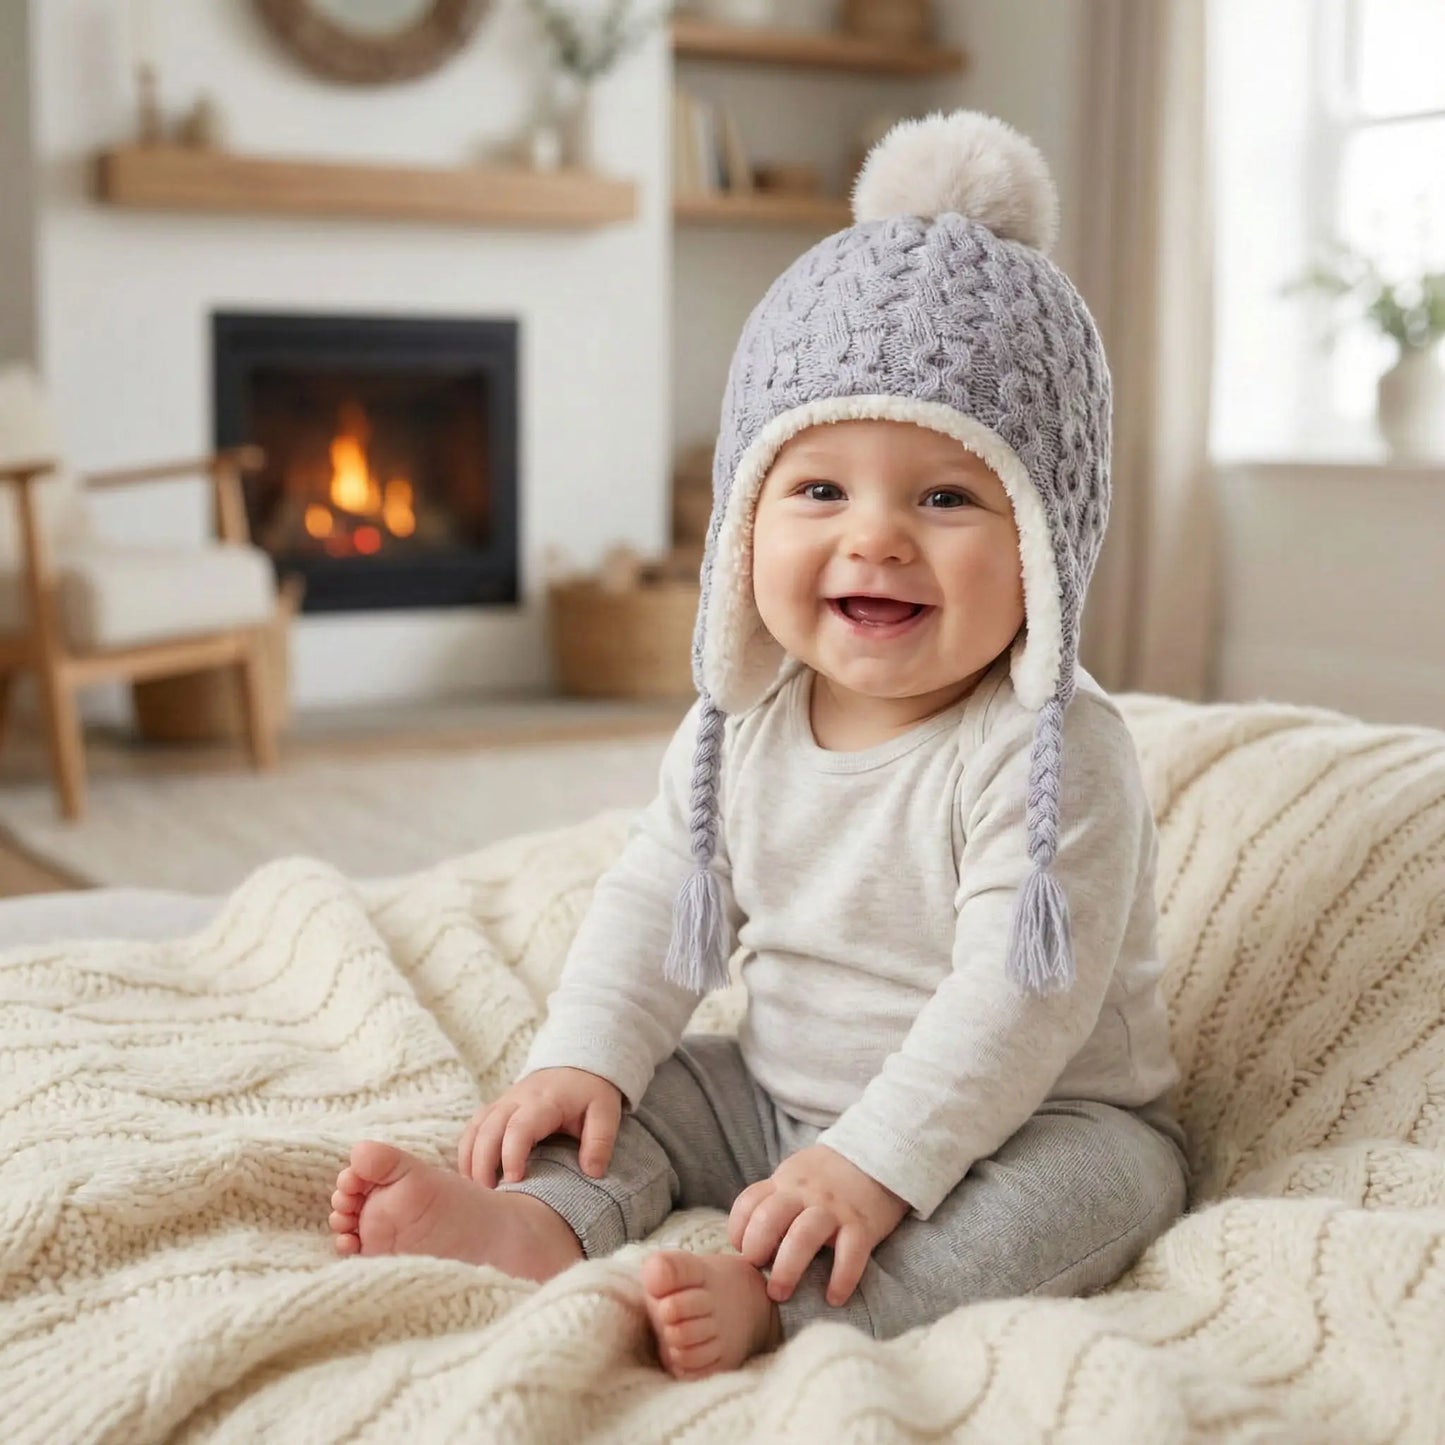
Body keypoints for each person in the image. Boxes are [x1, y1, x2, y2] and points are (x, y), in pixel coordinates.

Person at [328, 109, 1191, 1381]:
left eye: (945, 497)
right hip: (778, 1092)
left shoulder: (1049, 750)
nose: (874, 538)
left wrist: (872, 1165)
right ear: (744, 518)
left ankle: (795, 1304)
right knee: (652, 1089)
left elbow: (1013, 1003)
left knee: (1086, 1191)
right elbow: (659, 893)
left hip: (1034, 1112)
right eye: (820, 488)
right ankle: (535, 1222)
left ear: (1044, 547)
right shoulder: (743, 721)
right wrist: (583, 1052)